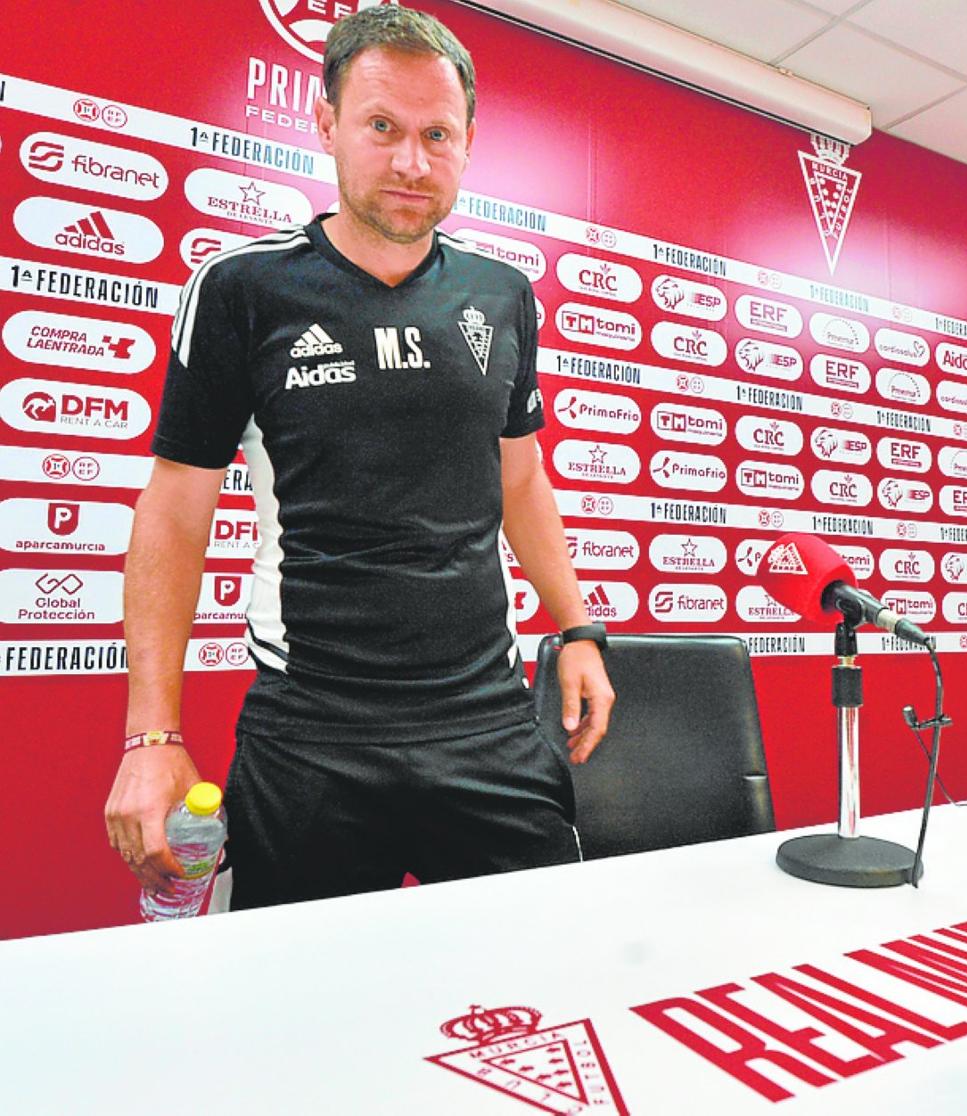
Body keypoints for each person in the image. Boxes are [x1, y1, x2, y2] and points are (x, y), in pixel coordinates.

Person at [104, 6, 614, 911]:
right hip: (311, 732)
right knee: (299, 1019)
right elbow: (175, 506)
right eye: (382, 128)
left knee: (542, 987)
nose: (412, 162)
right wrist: (151, 737)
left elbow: (521, 475)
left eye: (436, 135)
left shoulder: (502, 297)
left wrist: (575, 627)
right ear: (326, 122)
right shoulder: (242, 290)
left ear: (467, 142)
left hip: (486, 719)